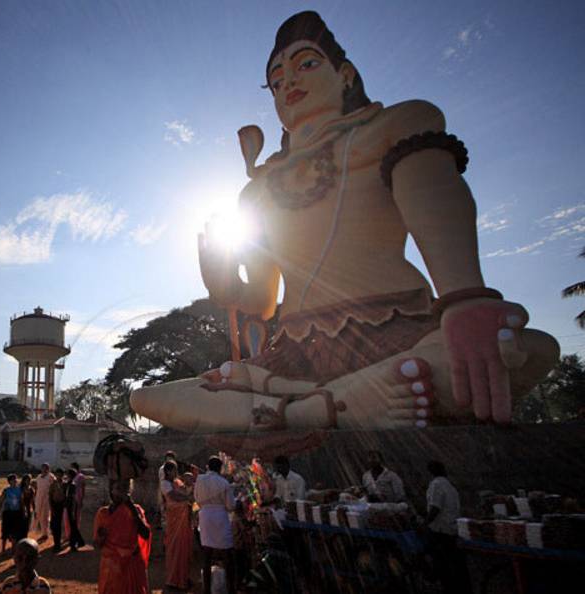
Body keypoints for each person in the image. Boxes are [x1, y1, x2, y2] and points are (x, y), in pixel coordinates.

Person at [129, 10, 558, 433]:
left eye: (306, 64)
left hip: (394, 330)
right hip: (296, 351)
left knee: (525, 349)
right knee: (149, 398)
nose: (289, 84)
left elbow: (434, 196)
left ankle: (309, 402)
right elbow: (262, 301)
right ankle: (323, 408)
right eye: (276, 81)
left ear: (346, 74)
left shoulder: (396, 125)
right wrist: (224, 287)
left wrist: (464, 300)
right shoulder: (258, 190)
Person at [94, 479, 151, 594]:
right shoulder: (103, 513)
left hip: (132, 563)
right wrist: (102, 537)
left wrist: (131, 508)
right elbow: (97, 544)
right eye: (118, 489)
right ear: (111, 491)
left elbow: (145, 534)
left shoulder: (136, 510)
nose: (121, 493)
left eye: (125, 489)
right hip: (111, 567)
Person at [424, 461, 469, 594]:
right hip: (452, 529)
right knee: (456, 564)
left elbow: (435, 508)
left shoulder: (436, 484)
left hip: (441, 530)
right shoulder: (450, 486)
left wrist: (425, 523)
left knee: (441, 562)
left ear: (431, 472)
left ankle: (437, 578)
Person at [194, 456, 236, 594]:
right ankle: (231, 589)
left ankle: (206, 590)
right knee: (226, 554)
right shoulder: (223, 483)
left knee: (206, 555)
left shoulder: (199, 480)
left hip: (205, 517)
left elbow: (196, 499)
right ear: (219, 468)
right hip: (220, 517)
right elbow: (230, 506)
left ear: (208, 466)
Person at [161, 460, 194, 590]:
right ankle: (174, 579)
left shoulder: (176, 482)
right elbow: (173, 496)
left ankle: (183, 577)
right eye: (174, 470)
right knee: (175, 548)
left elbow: (184, 492)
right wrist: (188, 499)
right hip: (174, 519)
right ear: (168, 471)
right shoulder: (165, 484)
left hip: (183, 518)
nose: (176, 472)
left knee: (184, 548)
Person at [0, 474, 24, 553]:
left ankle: (13, 549)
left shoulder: (19, 490)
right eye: (13, 480)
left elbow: (21, 502)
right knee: (5, 531)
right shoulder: (6, 490)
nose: (15, 481)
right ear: (9, 482)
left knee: (15, 532)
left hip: (16, 513)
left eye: (16, 479)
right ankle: (3, 549)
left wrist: (23, 512)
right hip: (8, 513)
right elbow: (0, 502)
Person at [64, 468, 86, 552]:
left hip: (72, 507)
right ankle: (79, 542)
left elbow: (72, 498)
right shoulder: (69, 484)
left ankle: (74, 544)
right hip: (71, 506)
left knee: (73, 526)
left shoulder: (72, 485)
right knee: (73, 526)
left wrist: (73, 511)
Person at [32, 464, 55, 541]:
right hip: (38, 498)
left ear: (48, 469)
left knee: (45, 516)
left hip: (46, 499)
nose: (44, 470)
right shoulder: (39, 477)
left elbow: (54, 486)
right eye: (43, 468)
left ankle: (45, 533)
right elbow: (37, 488)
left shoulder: (51, 477)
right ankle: (42, 532)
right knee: (39, 515)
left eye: (46, 468)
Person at [47, 468, 67, 552]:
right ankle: (56, 544)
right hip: (55, 505)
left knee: (60, 525)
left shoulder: (65, 484)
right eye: (57, 474)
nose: (59, 476)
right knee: (55, 525)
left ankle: (58, 544)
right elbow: (50, 496)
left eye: (60, 474)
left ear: (63, 475)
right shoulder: (53, 484)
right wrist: (51, 507)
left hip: (63, 505)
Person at [19, 475, 35, 542]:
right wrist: (24, 510)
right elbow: (21, 500)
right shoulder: (21, 488)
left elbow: (32, 500)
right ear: (24, 480)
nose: (28, 481)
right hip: (21, 508)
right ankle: (20, 540)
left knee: (27, 524)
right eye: (26, 480)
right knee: (21, 524)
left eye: (29, 480)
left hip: (28, 508)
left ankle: (24, 539)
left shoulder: (31, 489)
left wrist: (34, 509)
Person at [70, 462, 87, 527]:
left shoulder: (80, 476)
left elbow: (83, 487)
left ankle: (76, 528)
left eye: (72, 467)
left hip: (78, 497)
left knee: (77, 514)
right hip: (71, 497)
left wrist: (82, 498)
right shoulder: (71, 476)